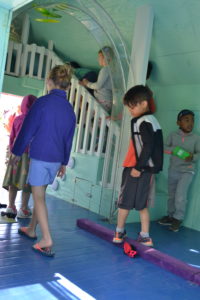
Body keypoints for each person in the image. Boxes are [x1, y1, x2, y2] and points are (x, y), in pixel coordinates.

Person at [11, 64, 76, 257]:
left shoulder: (42, 103)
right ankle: (32, 229)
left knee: (37, 197)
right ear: (67, 86)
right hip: (56, 160)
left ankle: (46, 238)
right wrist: (64, 162)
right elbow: (68, 138)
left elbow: (27, 130)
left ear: (49, 82)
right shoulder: (69, 109)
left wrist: (16, 152)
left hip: (40, 157)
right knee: (41, 195)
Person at [113, 85, 163, 246]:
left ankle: (119, 232)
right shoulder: (152, 120)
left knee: (124, 202)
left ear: (143, 103)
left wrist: (137, 167)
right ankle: (144, 235)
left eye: (132, 106)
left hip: (136, 167)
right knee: (142, 204)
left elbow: (148, 146)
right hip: (144, 169)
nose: (130, 110)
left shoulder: (143, 122)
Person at [158, 109, 200, 232]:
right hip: (173, 170)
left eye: (192, 120)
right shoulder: (172, 135)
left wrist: (193, 157)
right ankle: (170, 216)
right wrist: (175, 150)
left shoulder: (196, 138)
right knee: (171, 195)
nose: (190, 123)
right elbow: (164, 148)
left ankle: (178, 218)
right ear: (178, 122)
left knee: (180, 196)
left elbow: (199, 154)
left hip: (187, 171)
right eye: (186, 120)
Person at [2, 94, 37, 218]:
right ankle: (24, 208)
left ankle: (10, 206)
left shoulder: (17, 119)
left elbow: (12, 138)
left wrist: (11, 152)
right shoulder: (37, 121)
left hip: (16, 154)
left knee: (13, 180)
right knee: (27, 183)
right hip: (29, 156)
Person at [79, 46, 113, 114]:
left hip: (103, 101)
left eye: (100, 57)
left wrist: (87, 83)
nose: (98, 59)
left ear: (106, 58)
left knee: (86, 111)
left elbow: (98, 85)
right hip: (107, 101)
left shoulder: (105, 70)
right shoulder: (111, 70)